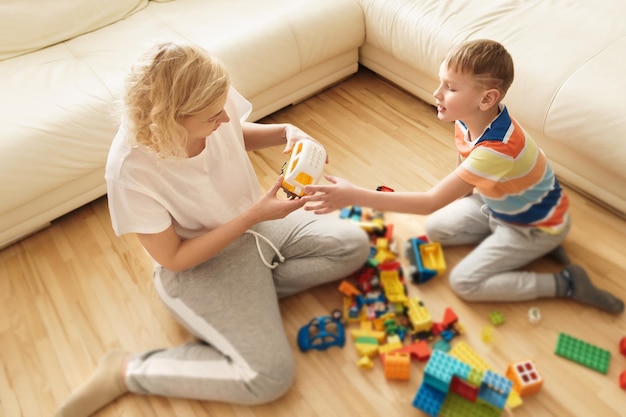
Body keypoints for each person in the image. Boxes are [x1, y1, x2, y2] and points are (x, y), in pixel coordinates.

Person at [56, 42, 370, 417]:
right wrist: (253, 216)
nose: (224, 118)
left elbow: (232, 131)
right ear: (169, 120)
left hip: (258, 229)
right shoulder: (130, 169)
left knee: (353, 246)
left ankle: (251, 298)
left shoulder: (211, 103)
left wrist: (286, 130)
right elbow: (172, 258)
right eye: (212, 116)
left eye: (223, 108)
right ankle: (128, 371)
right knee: (268, 377)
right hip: (200, 264)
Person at [303, 39, 624, 315]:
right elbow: (463, 170)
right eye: (441, 82)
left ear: (486, 99)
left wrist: (354, 195)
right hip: (495, 204)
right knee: (437, 228)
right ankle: (528, 248)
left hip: (534, 226)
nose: (437, 93)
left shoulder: (497, 148)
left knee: (465, 282)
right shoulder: (467, 120)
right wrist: (466, 201)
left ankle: (565, 283)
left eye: (451, 88)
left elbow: (430, 201)